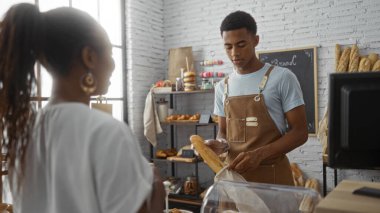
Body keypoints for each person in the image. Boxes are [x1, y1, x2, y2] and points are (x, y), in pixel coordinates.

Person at [0, 3, 165, 213]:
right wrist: (157, 193)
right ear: (89, 57)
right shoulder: (107, 132)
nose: (114, 65)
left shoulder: (22, 133)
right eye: (109, 52)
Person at [207, 11, 308, 185]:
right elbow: (224, 132)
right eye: (228, 47)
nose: (234, 53)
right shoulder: (222, 87)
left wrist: (259, 154)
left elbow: (300, 132)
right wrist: (220, 145)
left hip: (273, 180)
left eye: (241, 44)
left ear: (256, 40)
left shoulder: (282, 77)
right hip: (234, 182)